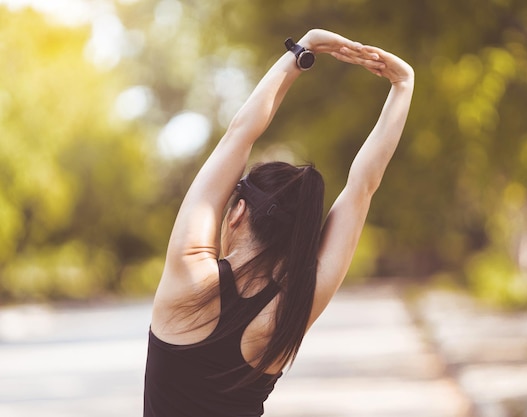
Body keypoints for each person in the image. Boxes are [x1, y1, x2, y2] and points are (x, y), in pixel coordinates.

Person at [143, 29, 414, 417]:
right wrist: (403, 84)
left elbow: (239, 134)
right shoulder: (290, 311)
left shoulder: (188, 274)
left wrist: (303, 50)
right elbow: (362, 187)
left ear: (237, 212)